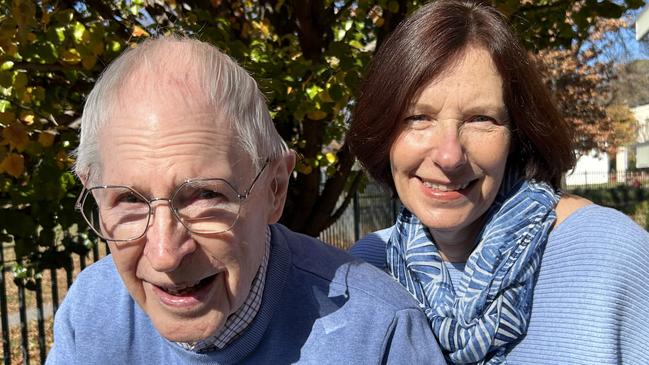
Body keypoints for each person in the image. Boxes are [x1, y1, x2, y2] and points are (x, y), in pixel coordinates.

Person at [46, 36, 446, 364]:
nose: (166, 254)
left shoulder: (379, 335)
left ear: (274, 189)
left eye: (205, 195)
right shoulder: (91, 311)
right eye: (129, 201)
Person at [347, 1, 649, 364]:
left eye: (480, 119)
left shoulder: (608, 256)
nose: (449, 155)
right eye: (417, 117)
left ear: (517, 135)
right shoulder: (369, 267)